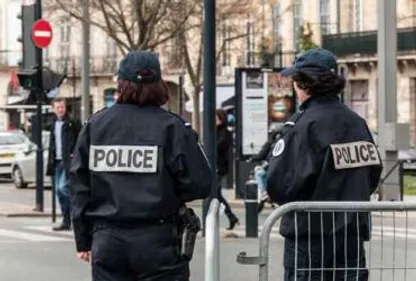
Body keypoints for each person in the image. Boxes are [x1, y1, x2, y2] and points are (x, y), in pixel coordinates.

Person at [69, 51, 212, 281]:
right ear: (158, 84)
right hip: (158, 240)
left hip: (108, 240)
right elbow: (199, 184)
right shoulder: (172, 128)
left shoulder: (95, 126)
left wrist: (83, 238)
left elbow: (79, 185)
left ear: (121, 83)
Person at [266, 48, 383, 281]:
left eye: (296, 82)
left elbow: (280, 184)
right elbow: (372, 174)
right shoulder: (357, 123)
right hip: (351, 234)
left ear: (304, 85)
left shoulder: (303, 125)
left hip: (311, 235)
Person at [46, 98, 82, 231]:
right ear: (54, 109)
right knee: (59, 192)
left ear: (65, 107)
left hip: (68, 161)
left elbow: (81, 139)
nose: (60, 110)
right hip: (56, 161)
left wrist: (74, 154)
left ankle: (76, 214)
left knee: (63, 188)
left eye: (62, 107)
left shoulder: (72, 122)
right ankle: (66, 220)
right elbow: (52, 144)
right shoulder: (53, 123)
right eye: (57, 107)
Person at [215, 109, 239, 230]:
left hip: (220, 167)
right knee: (217, 195)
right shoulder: (216, 131)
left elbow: (220, 146)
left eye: (216, 117)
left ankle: (231, 217)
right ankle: (231, 217)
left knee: (216, 194)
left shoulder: (225, 132)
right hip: (216, 167)